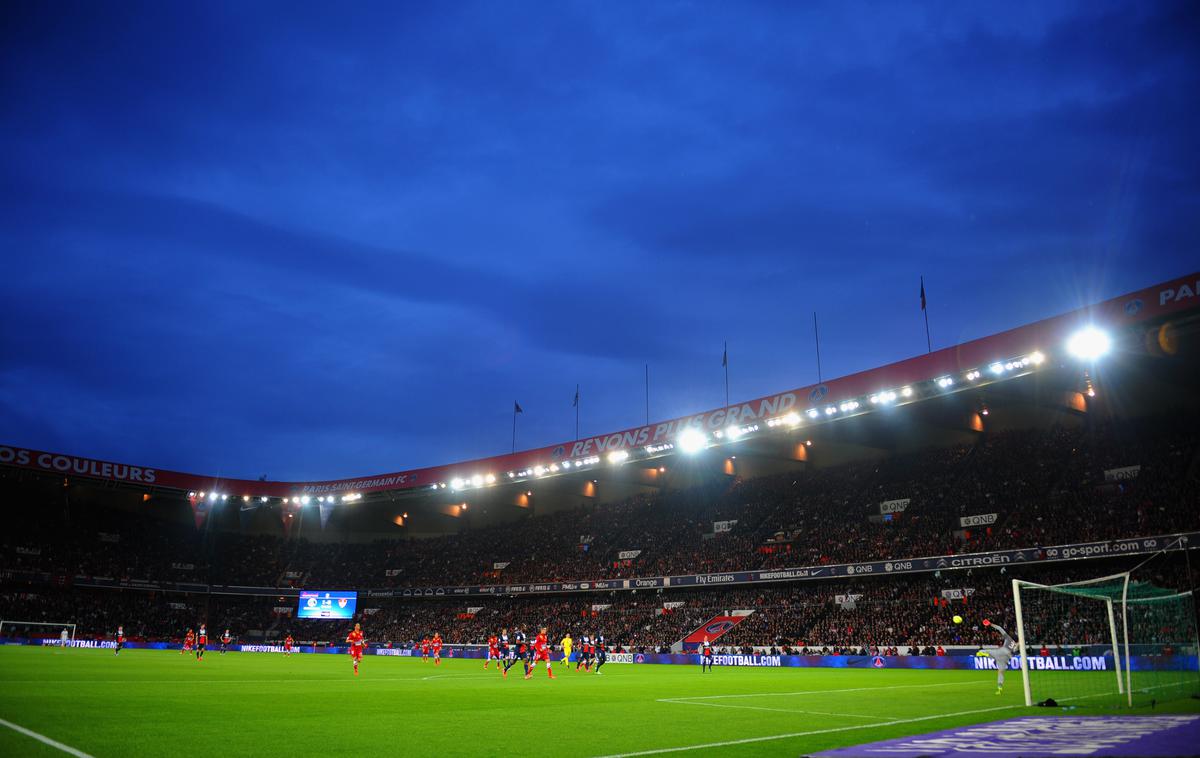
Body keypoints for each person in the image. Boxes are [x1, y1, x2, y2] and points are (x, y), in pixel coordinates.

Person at [983, 620, 1017, 695]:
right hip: (1006, 657)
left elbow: (999, 628)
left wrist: (991, 624)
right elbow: (1014, 651)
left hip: (1003, 651)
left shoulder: (1008, 637)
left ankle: (986, 654)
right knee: (1000, 673)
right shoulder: (1015, 644)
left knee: (984, 651)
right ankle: (999, 688)